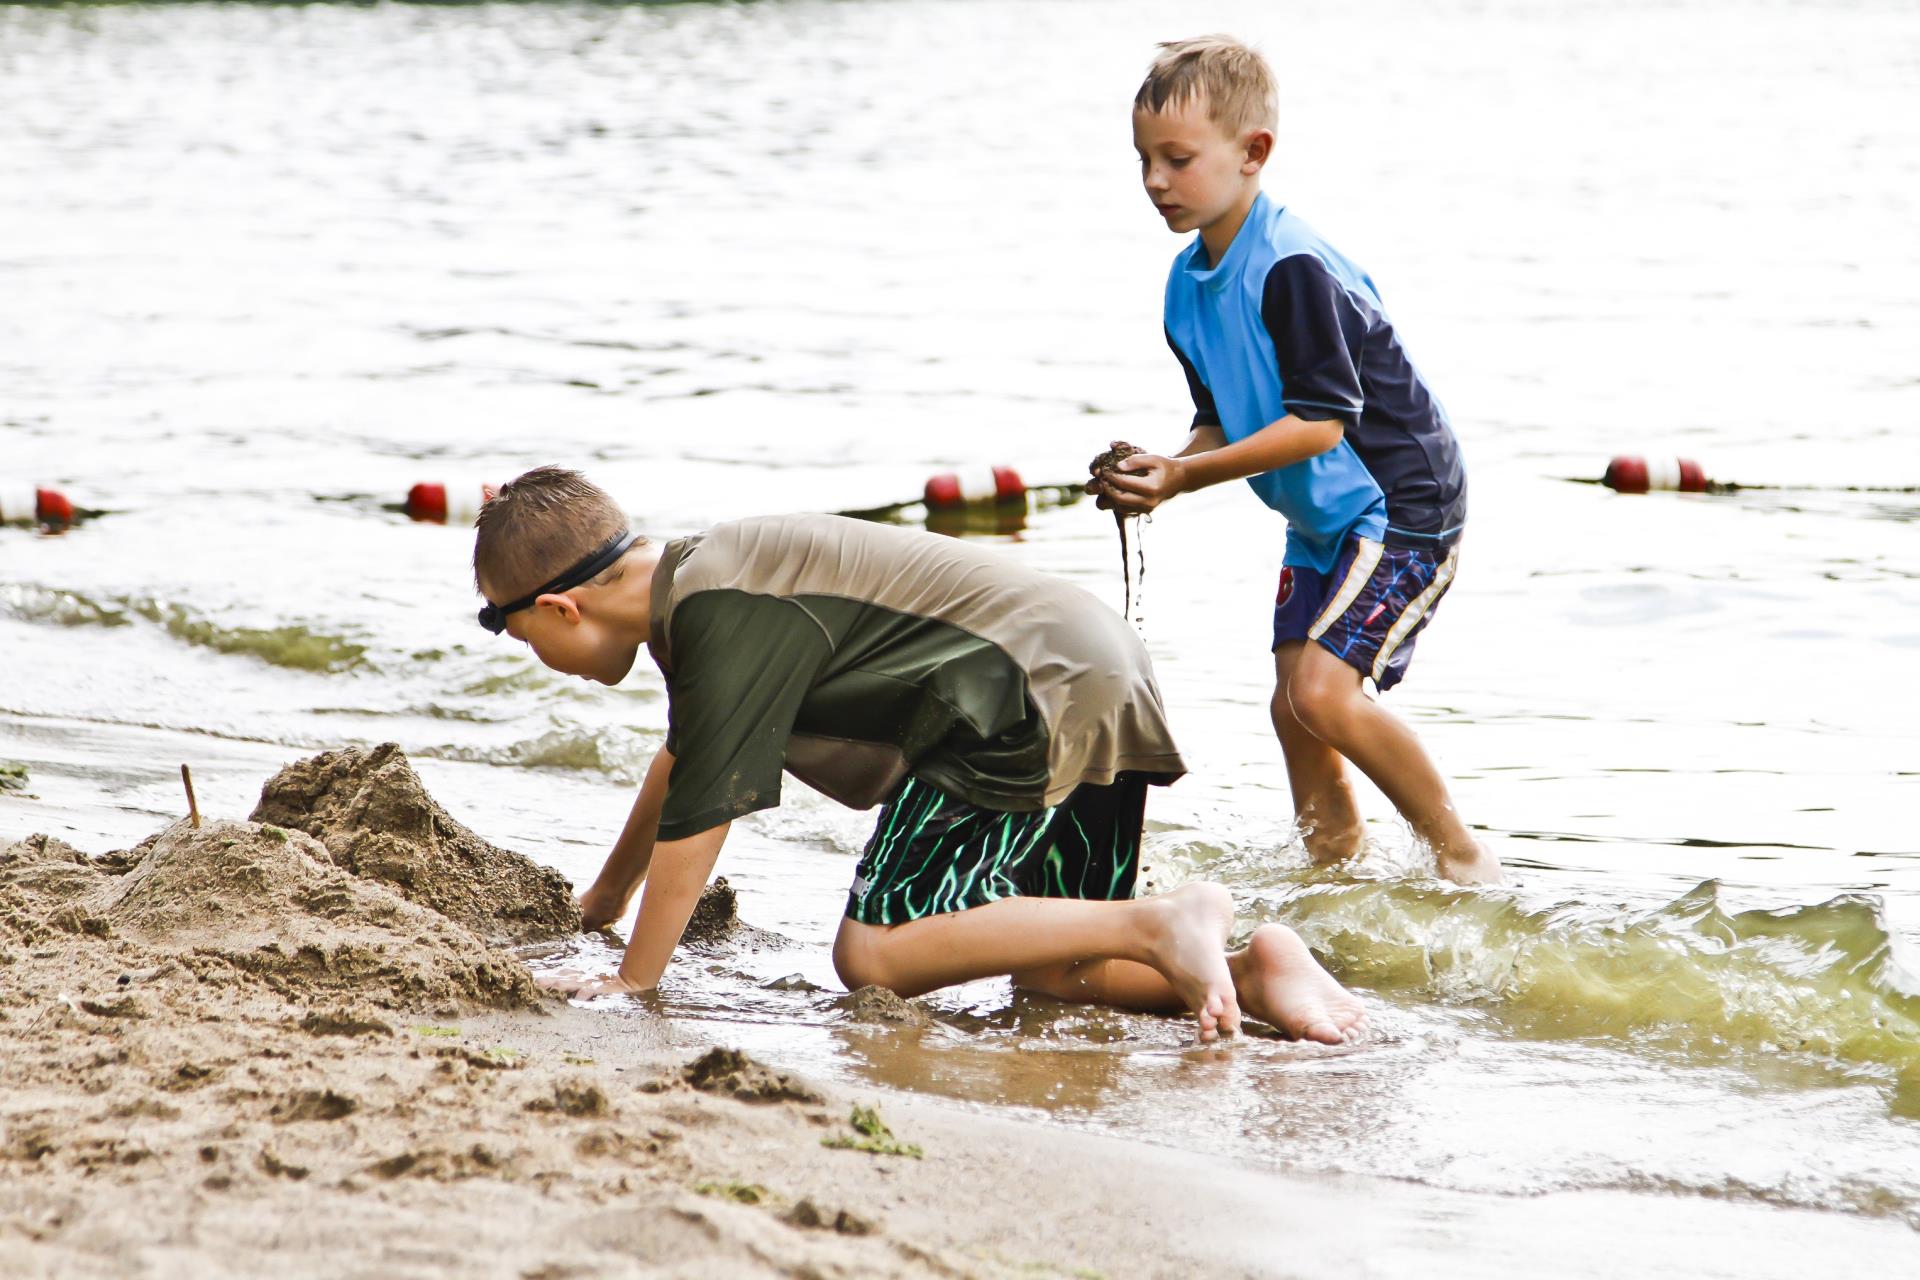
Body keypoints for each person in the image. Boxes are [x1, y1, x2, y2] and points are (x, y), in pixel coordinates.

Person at [470, 466, 1368, 1044]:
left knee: (876, 952)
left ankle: (1162, 920)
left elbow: (705, 813)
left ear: (560, 610)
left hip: (1017, 694)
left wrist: (633, 980)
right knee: (1053, 973)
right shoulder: (698, 590)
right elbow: (683, 761)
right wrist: (603, 901)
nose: (531, 654)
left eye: (512, 635)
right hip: (1087, 674)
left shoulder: (716, 608)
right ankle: (1256, 970)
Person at [1092, 36, 1501, 884]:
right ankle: (1332, 867)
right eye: (1143, 161)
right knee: (1292, 709)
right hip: (1324, 517)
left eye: (1177, 159)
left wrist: (1185, 477)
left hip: (1401, 504)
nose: (1155, 182)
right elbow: (1223, 420)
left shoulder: (1292, 266)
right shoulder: (1184, 284)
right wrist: (1161, 468)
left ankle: (1463, 860)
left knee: (1321, 694)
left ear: (1253, 154)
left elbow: (1317, 427)